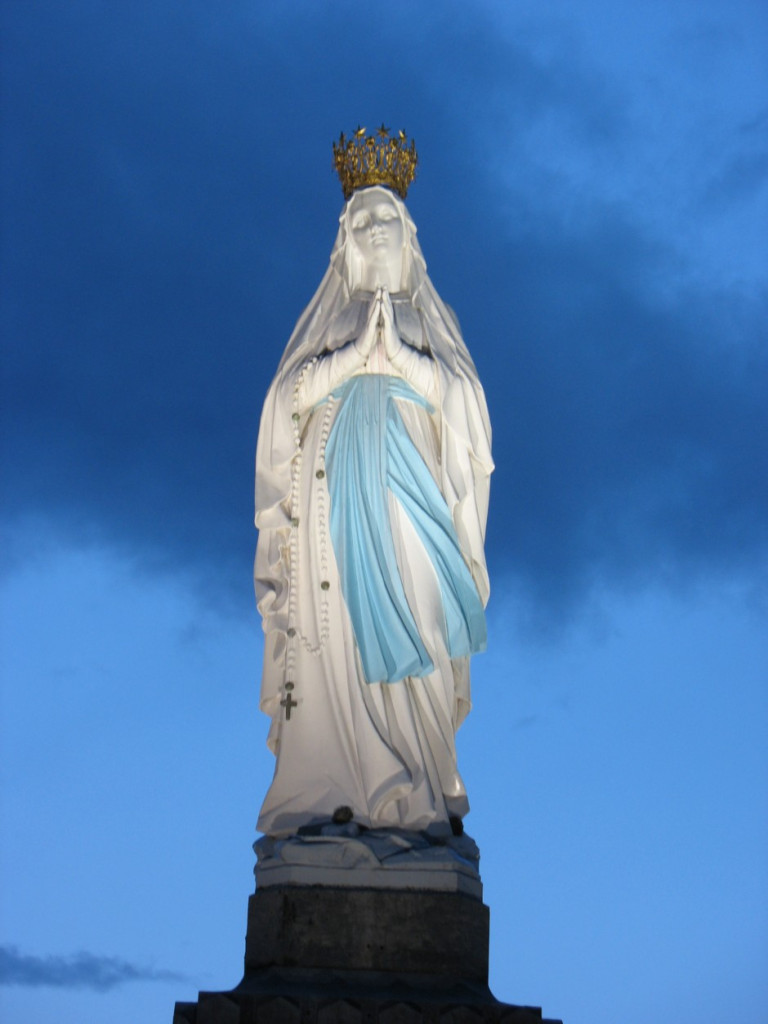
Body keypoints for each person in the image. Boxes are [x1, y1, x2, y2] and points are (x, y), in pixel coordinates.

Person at [254, 180, 493, 839]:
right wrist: (353, 360)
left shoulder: (428, 321)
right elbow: (283, 406)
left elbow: (467, 415)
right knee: (342, 648)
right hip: (333, 512)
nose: (376, 228)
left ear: (408, 235)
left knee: (416, 627)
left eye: (388, 216)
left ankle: (415, 792)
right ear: (346, 242)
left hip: (409, 509)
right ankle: (332, 791)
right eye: (362, 221)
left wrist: (407, 365)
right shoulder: (328, 323)